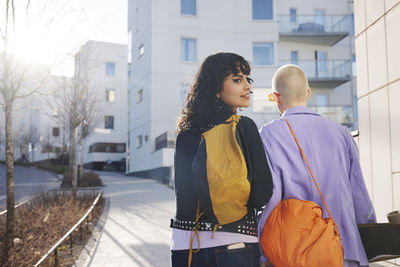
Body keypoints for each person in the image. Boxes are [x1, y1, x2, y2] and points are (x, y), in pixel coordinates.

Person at [257, 64, 376, 267]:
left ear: (276, 97)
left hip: (294, 251)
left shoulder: (268, 134)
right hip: (343, 249)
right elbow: (358, 193)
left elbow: (271, 195)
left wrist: (263, 249)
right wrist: (370, 231)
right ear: (308, 92)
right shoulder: (342, 133)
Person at [171, 52, 273, 267]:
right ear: (216, 89)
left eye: (248, 79)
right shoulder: (244, 127)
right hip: (236, 242)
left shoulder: (185, 133)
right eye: (237, 80)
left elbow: (184, 192)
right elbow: (262, 193)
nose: (247, 86)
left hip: (186, 245)